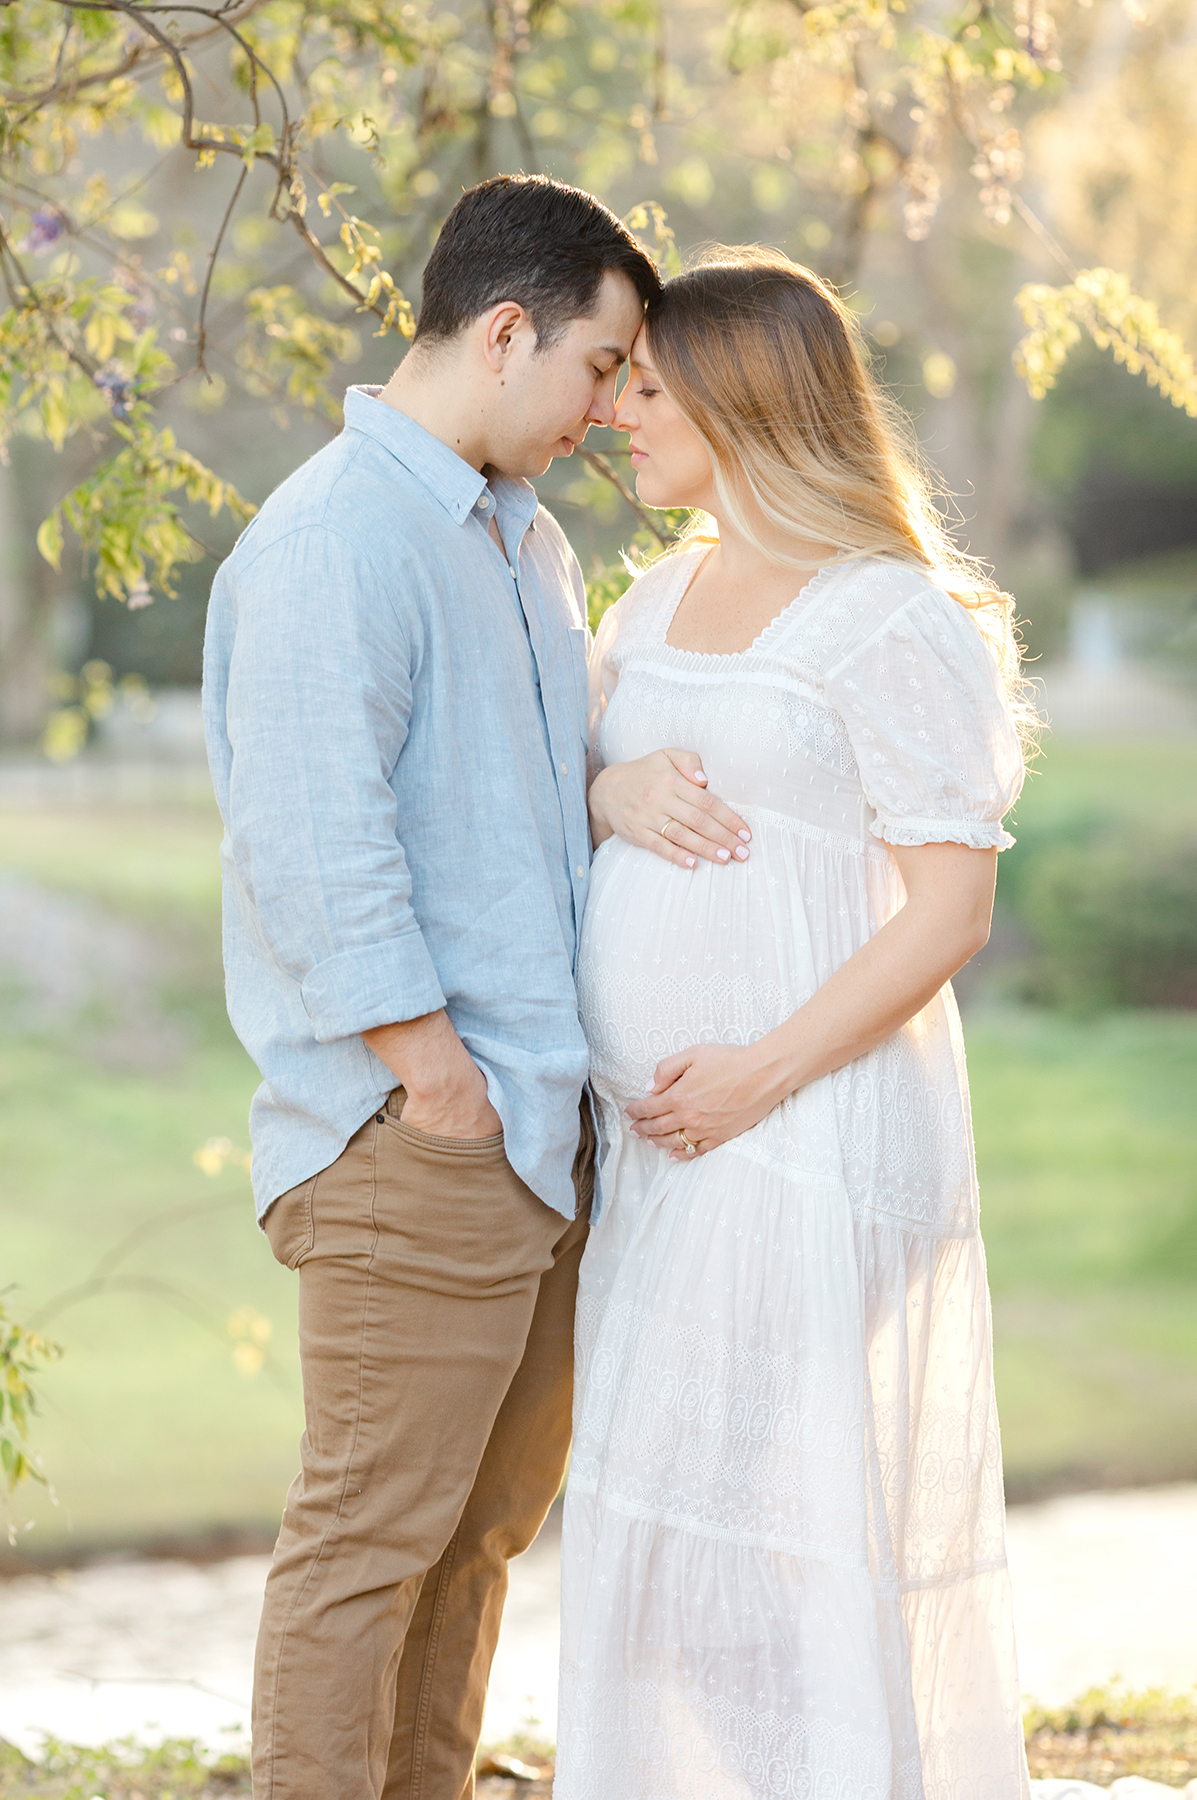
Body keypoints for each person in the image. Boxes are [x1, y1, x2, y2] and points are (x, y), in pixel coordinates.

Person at [201, 174, 660, 1800]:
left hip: (540, 1131)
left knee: (471, 1552)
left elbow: (528, 805)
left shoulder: (525, 549)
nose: (611, 413)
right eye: (603, 369)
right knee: (366, 1550)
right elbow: (314, 845)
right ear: (509, 328)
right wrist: (435, 1076)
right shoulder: (339, 536)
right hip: (422, 1134)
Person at [554, 246, 1034, 1799]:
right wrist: (610, 787)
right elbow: (568, 782)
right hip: (671, 1150)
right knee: (660, 1536)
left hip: (808, 1133)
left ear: (737, 395)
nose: (615, 411)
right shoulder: (657, 594)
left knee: (766, 1534)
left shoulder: (887, 616)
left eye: (643, 385)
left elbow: (948, 914)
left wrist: (758, 1073)